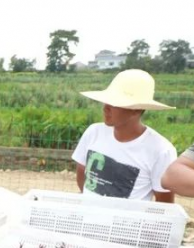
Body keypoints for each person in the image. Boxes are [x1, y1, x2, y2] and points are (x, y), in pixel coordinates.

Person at [73, 69, 177, 202]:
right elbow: (81, 173)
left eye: (115, 103)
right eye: (106, 101)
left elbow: (164, 203)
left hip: (128, 222)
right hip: (89, 217)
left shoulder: (161, 150)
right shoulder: (94, 132)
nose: (106, 108)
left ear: (136, 110)